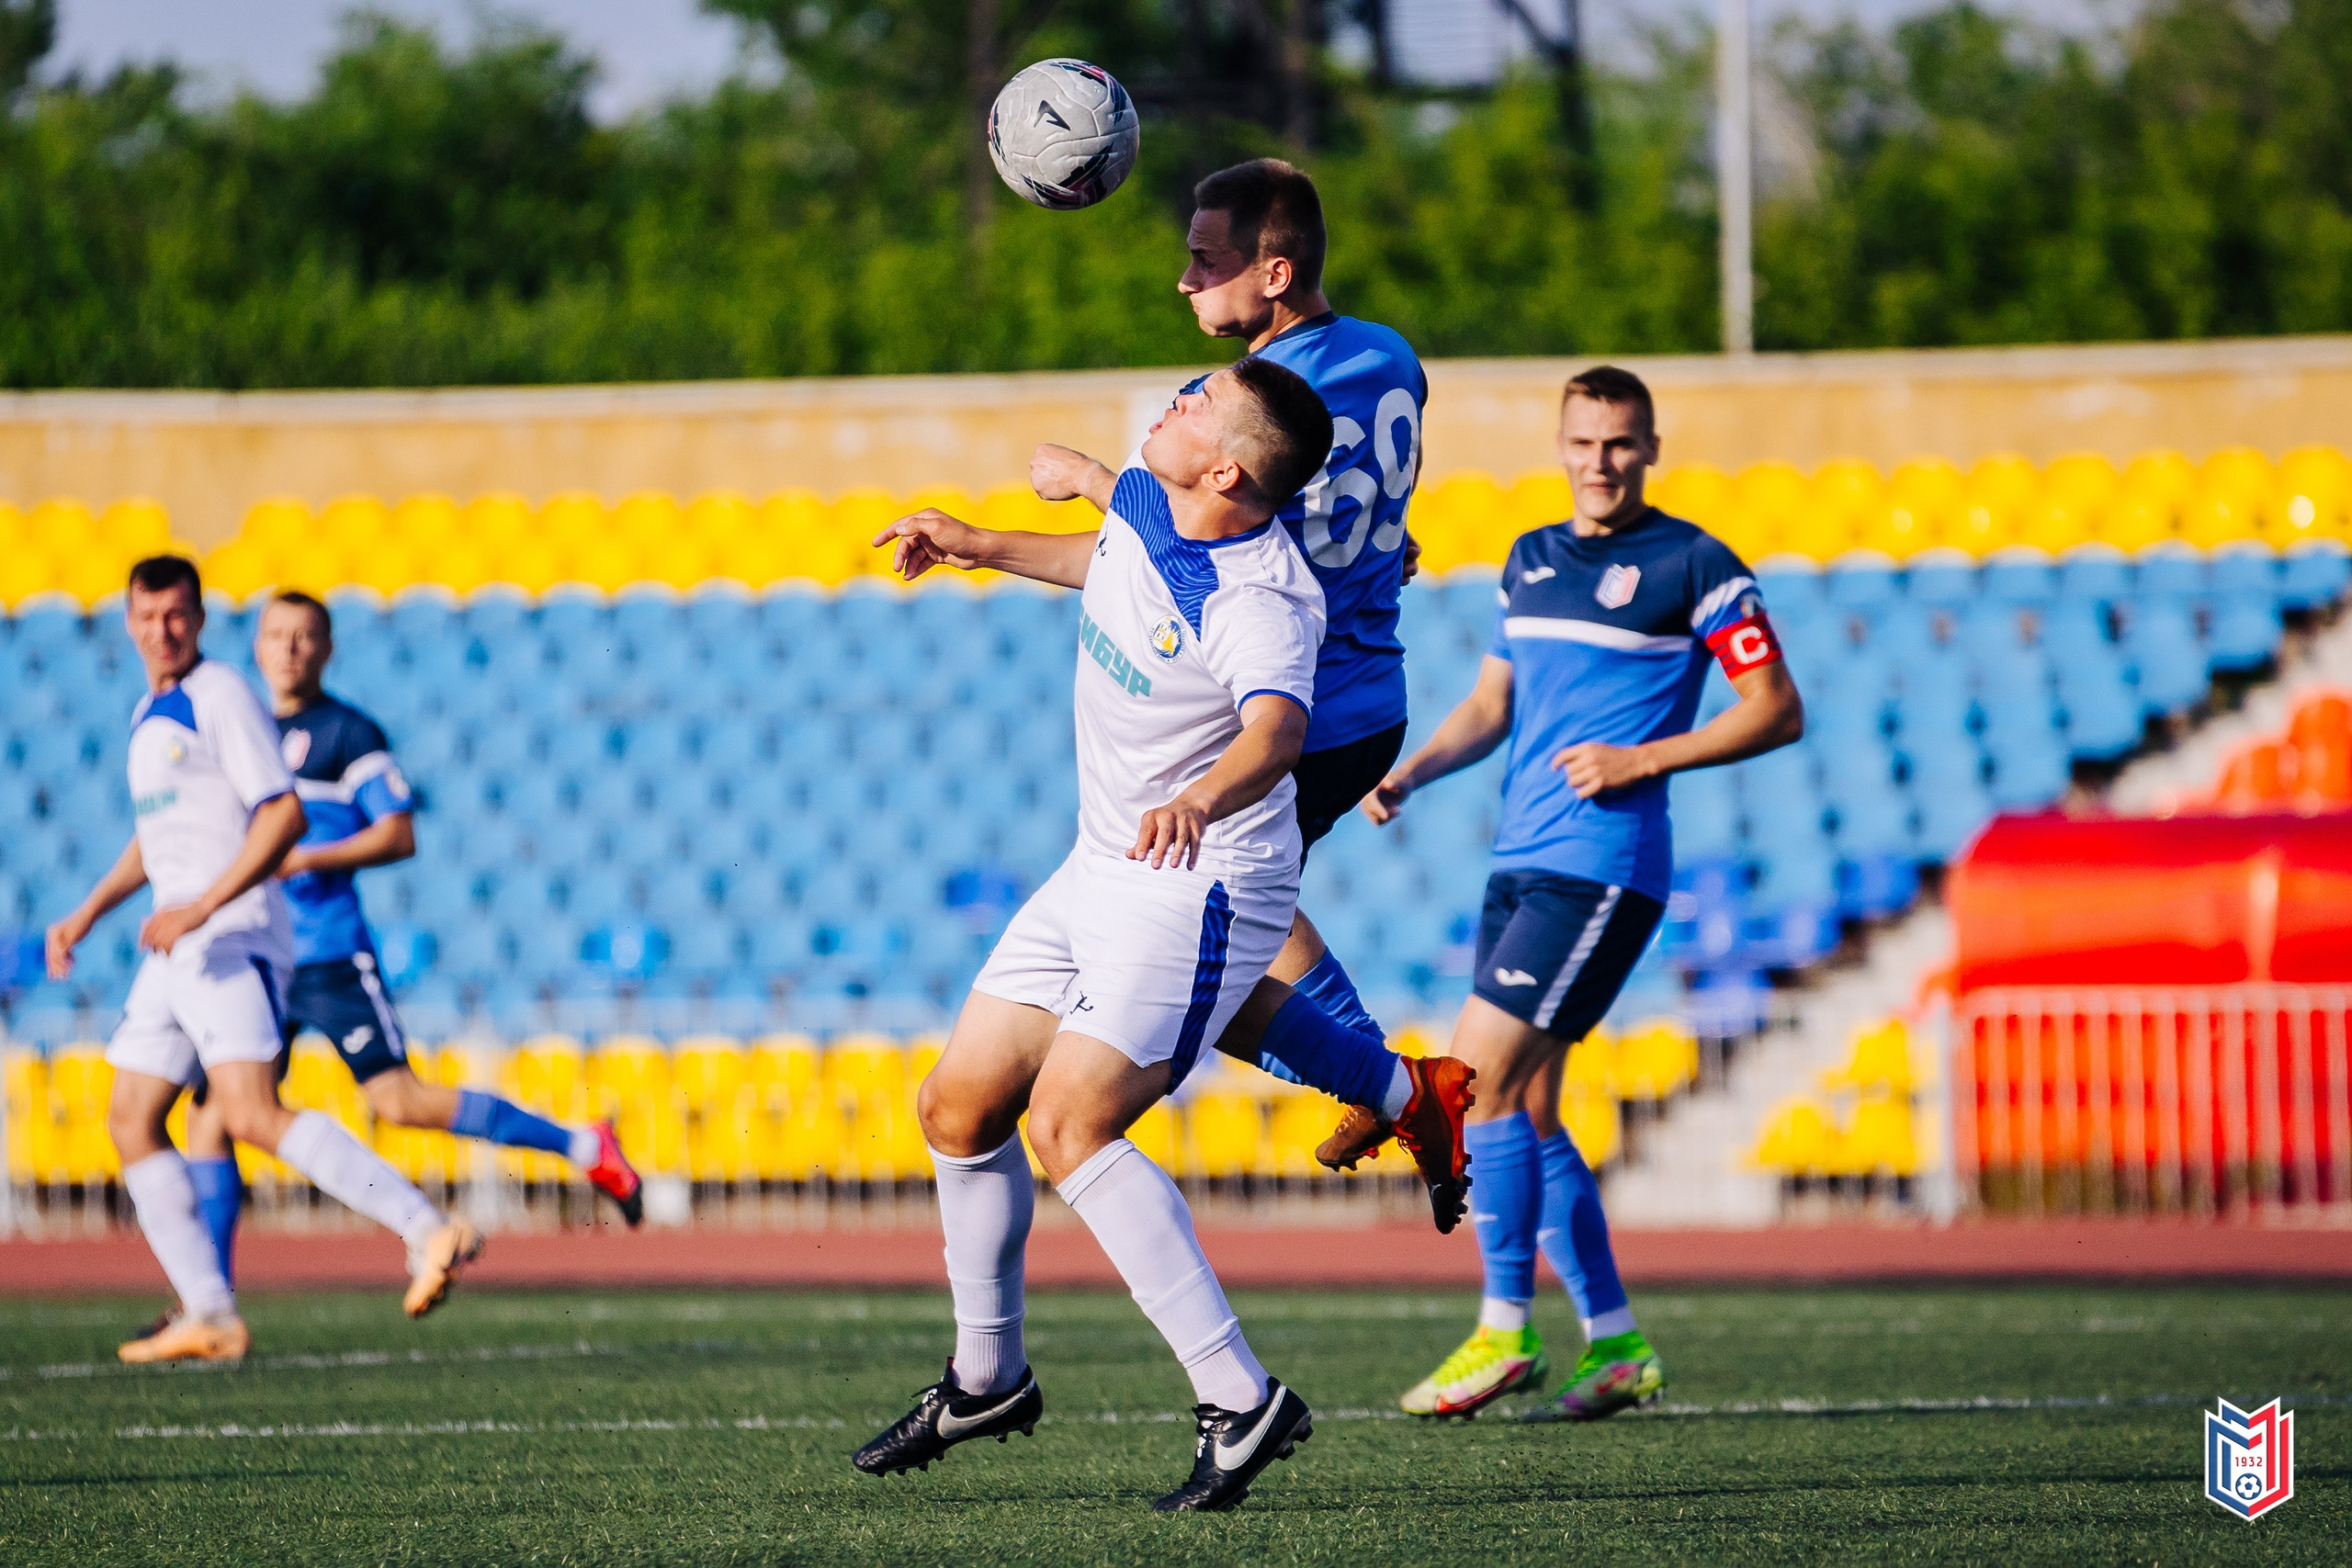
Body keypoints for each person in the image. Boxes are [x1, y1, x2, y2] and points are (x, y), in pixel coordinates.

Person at [854, 358, 1330, 1511]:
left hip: (1197, 877)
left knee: (1070, 1125)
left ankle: (1241, 1398)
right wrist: (978, 541)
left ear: (1225, 466)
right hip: (1100, 861)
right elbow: (1103, 564)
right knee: (956, 1108)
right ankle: (986, 1377)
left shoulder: (1261, 595)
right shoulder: (1151, 504)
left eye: (1195, 401)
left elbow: (1275, 727)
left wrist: (1199, 799)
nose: (1173, 397)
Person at [1029, 157, 1475, 1228]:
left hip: (1296, 708)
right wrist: (1383, 548)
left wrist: (1097, 478)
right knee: (1216, 938)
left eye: (1206, 260)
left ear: (1273, 273)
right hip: (1366, 687)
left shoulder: (1269, 404)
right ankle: (1390, 1083)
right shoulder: (1387, 354)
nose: (1184, 282)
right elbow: (1350, 506)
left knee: (1194, 953)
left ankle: (1393, 1084)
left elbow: (1201, 537)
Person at [1361, 367, 1804, 1421]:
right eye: (1582, 444)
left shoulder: (1693, 564)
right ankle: (1615, 1343)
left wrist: (1645, 760)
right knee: (1529, 1109)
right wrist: (1411, 772)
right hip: (1519, 862)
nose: (1599, 463)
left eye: (1618, 445)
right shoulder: (1528, 560)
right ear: (1559, 447)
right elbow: (1491, 703)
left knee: (1467, 1084)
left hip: (1598, 870)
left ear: (1648, 448)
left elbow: (1775, 709)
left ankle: (1502, 1330)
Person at [45, 558, 486, 1363]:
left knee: (248, 1113)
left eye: (177, 615)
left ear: (202, 619)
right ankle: (209, 1311)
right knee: (132, 1117)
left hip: (231, 933)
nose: (162, 630)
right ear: (128, 620)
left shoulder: (219, 697)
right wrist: (85, 912)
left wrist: (204, 906)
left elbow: (282, 813)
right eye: (147, 616)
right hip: (174, 946)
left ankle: (428, 1225)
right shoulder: (151, 709)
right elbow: (159, 840)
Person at [174, 590, 643, 1291]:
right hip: (257, 956)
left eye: (305, 636)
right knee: (211, 1117)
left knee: (397, 1101)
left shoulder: (347, 733)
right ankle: (208, 1303)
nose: (290, 648)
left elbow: (399, 831)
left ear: (327, 648)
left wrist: (305, 858)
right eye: (277, 635)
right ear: (257, 646)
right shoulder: (241, 731)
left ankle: (582, 1144)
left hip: (328, 952)